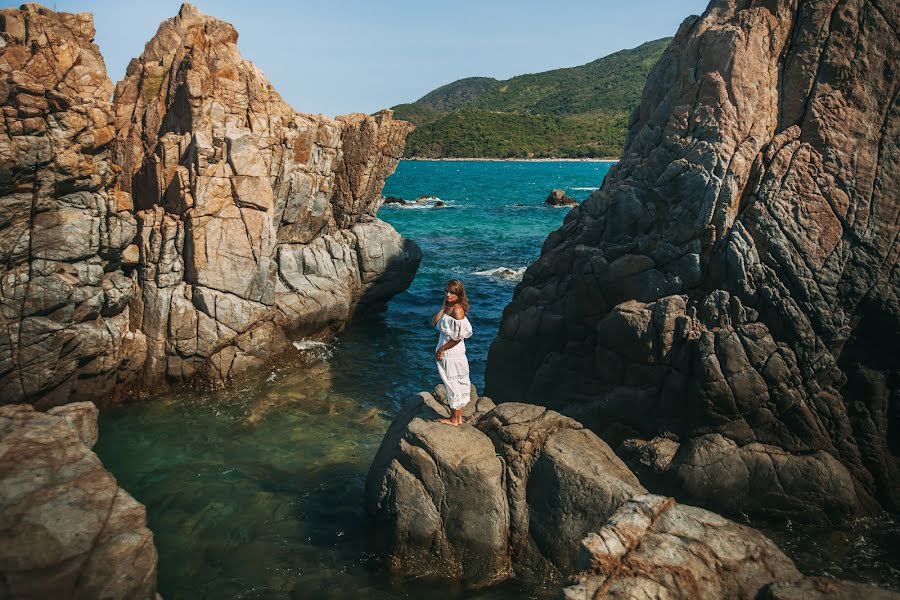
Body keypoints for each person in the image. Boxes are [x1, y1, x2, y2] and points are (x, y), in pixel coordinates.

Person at [431, 279, 473, 426]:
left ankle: (454, 419)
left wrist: (441, 350)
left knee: (453, 384)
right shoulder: (448, 307)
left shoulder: (458, 311)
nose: (448, 294)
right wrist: (443, 307)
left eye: (452, 293)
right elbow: (433, 323)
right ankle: (457, 418)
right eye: (446, 291)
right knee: (454, 383)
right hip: (448, 352)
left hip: (452, 353)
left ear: (458, 294)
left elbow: (457, 338)